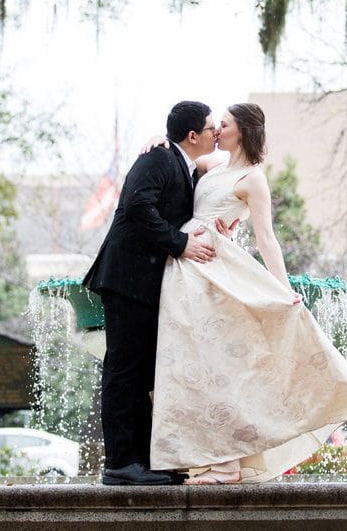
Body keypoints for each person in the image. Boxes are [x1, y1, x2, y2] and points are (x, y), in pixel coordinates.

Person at [149, 103, 347, 485]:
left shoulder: (254, 179)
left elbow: (267, 239)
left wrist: (283, 290)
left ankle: (226, 463)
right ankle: (202, 459)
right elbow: (178, 163)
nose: (216, 130)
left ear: (242, 132)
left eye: (223, 125)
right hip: (186, 261)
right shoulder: (211, 167)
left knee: (222, 366)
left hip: (212, 268)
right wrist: (159, 141)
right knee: (190, 365)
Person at [83, 100, 219, 486]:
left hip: (147, 284)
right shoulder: (158, 158)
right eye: (211, 129)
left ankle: (142, 461)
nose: (215, 134)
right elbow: (137, 207)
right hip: (126, 278)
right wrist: (180, 243)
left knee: (141, 373)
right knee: (123, 370)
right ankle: (121, 464)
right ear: (192, 135)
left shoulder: (184, 165)